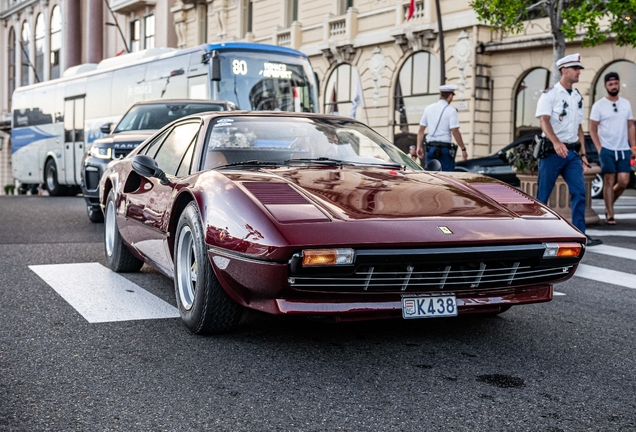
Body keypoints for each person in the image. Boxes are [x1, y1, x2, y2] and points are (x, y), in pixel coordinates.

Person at [535, 53, 602, 246]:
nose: (578, 72)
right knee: (542, 196)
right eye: (575, 69)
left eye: (579, 68)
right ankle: (539, 235)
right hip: (551, 153)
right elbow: (543, 121)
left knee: (579, 193)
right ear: (564, 70)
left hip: (572, 153)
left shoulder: (576, 96)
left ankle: (580, 235)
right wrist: (556, 142)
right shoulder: (550, 94)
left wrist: (583, 155)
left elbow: (579, 127)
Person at [589, 71, 636, 225]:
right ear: (605, 86)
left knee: (623, 181)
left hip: (623, 149)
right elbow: (593, 128)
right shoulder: (599, 105)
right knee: (609, 180)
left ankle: (609, 203)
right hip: (607, 149)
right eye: (610, 84)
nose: (614, 86)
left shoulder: (625, 104)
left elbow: (630, 126)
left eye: (616, 83)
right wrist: (599, 147)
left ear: (618, 84)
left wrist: (633, 146)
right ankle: (610, 213)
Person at [416, 84, 468, 171]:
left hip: (430, 148)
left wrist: (419, 146)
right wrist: (463, 148)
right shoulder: (451, 111)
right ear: (450, 96)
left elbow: (421, 130)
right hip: (444, 149)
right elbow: (455, 130)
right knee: (446, 177)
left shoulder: (428, 108)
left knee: (431, 177)